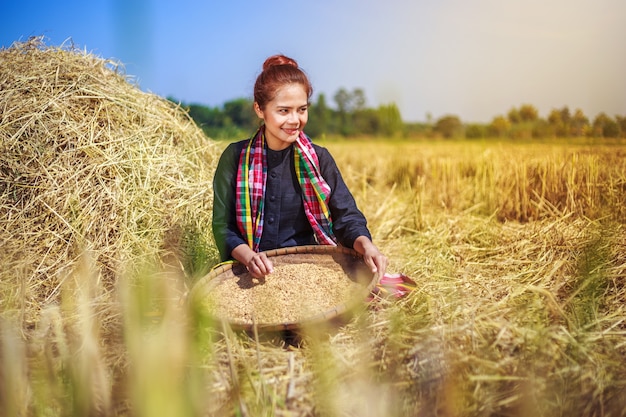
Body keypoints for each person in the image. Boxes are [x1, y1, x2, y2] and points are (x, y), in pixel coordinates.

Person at [212, 54, 388, 280]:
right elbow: (223, 227)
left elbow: (346, 218)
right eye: (284, 111)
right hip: (249, 269)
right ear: (259, 109)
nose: (295, 120)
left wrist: (367, 246)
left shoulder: (319, 159)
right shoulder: (235, 157)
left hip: (308, 268)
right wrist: (249, 257)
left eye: (302, 109)